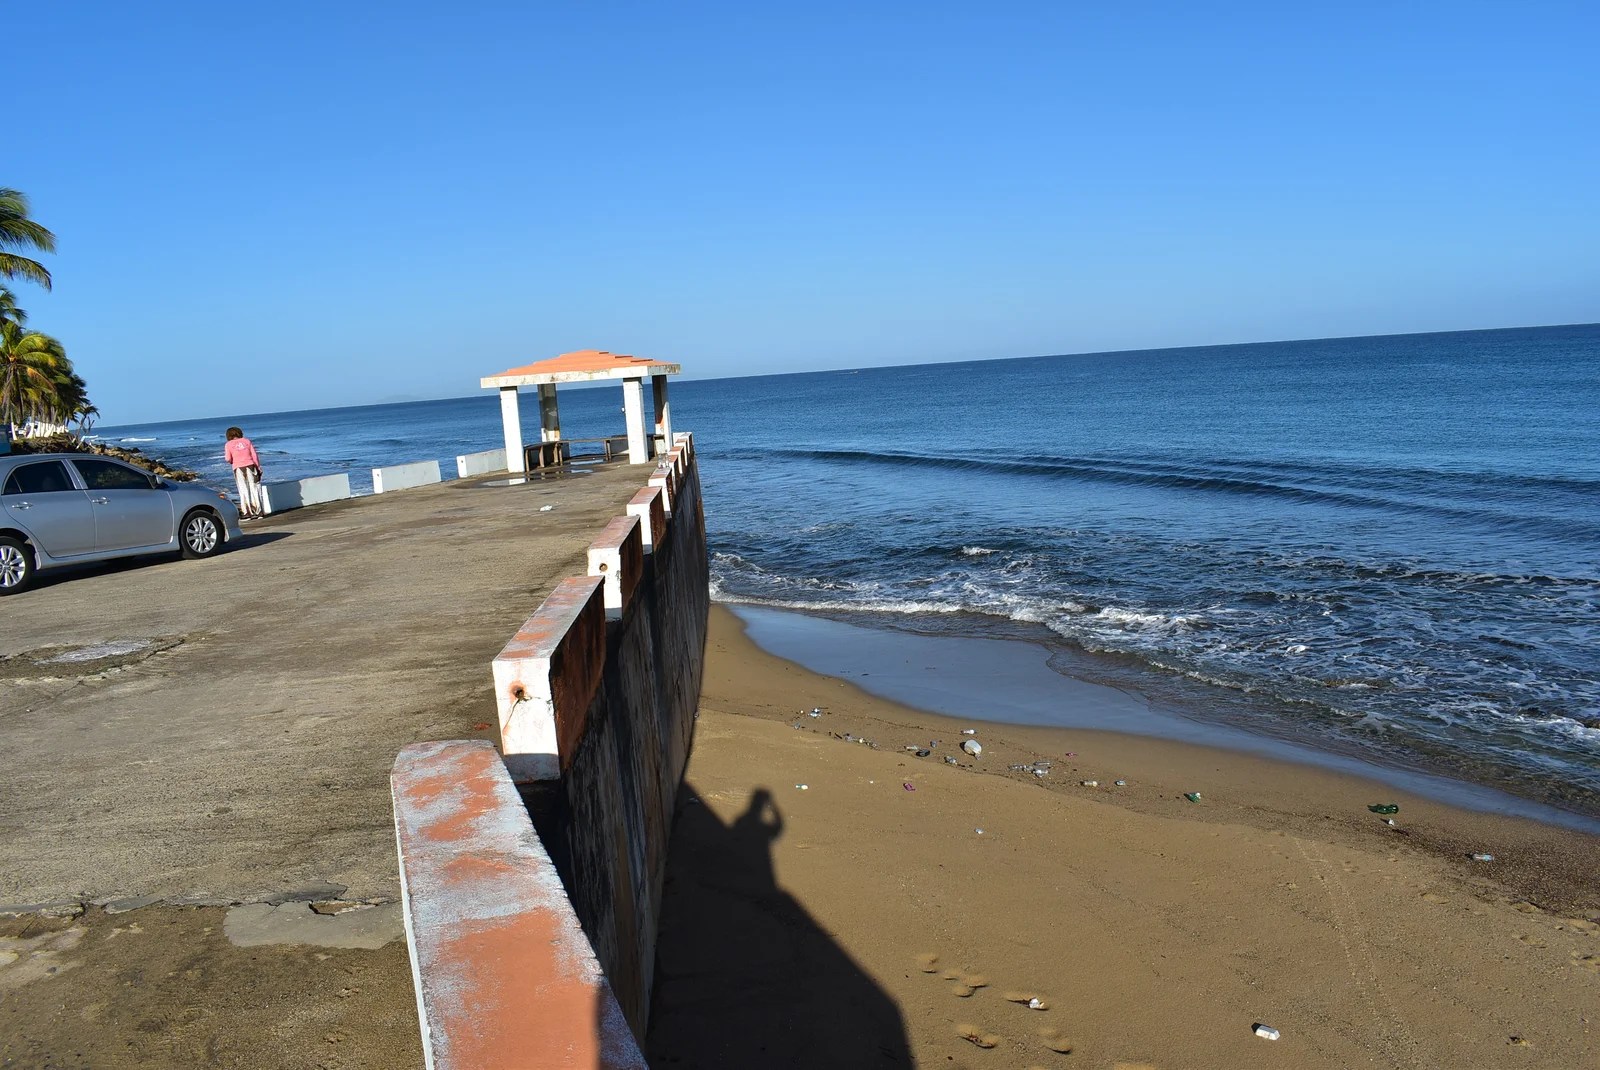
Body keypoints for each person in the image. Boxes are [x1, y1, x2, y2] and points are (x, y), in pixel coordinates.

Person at [224, 426, 264, 519]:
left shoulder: (228, 444)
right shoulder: (247, 441)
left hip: (238, 468)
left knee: (243, 489)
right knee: (254, 488)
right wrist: (258, 467)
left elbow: (228, 458)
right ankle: (259, 511)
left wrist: (232, 461)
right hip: (251, 466)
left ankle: (247, 512)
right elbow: (254, 455)